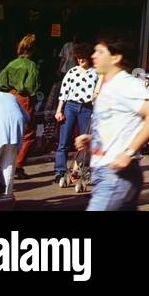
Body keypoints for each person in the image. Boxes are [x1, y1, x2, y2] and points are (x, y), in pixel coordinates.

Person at [74, 35, 149, 211]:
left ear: (116, 57)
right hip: (106, 174)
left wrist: (129, 152)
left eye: (100, 51)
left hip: (116, 176)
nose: (93, 55)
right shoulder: (108, 86)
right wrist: (92, 142)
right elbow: (117, 127)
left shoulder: (126, 84)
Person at [53, 43, 98, 189]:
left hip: (87, 108)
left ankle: (82, 171)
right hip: (70, 106)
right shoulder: (72, 72)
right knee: (63, 141)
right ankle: (60, 171)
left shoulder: (96, 73)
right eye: (78, 58)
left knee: (85, 143)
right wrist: (59, 110)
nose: (80, 60)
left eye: (83, 58)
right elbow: (63, 93)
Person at [0, 33, 40, 178]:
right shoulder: (31, 65)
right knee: (28, 133)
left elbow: (2, 81)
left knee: (10, 130)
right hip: (24, 98)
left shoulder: (12, 63)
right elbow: (31, 86)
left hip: (10, 95)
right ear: (33, 50)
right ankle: (18, 165)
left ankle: (6, 163)